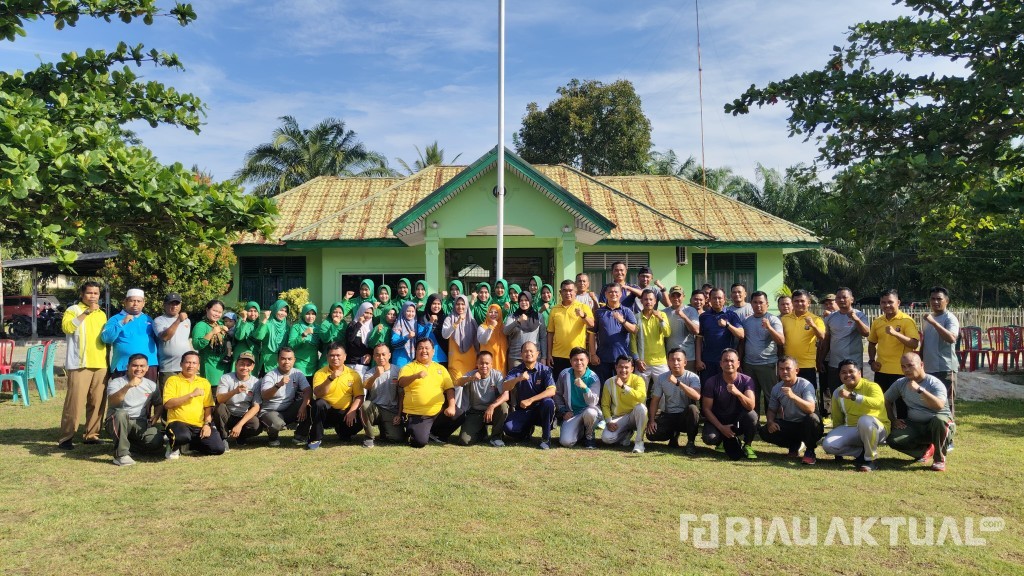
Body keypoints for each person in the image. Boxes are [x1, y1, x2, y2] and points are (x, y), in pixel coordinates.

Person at [58, 281, 109, 449]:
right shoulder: (73, 310)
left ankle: (91, 435)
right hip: (80, 364)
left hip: (101, 364)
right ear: (82, 294)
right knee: (75, 402)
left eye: (96, 293)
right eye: (89, 293)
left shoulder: (102, 314)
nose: (93, 296)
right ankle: (66, 437)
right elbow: (67, 327)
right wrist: (86, 313)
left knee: (97, 402)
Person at [884, 353, 953, 472]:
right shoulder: (901, 383)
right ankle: (924, 451)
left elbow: (939, 406)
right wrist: (893, 419)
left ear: (921, 365)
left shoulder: (934, 383)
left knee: (940, 420)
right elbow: (886, 400)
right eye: (903, 367)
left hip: (937, 425)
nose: (906, 370)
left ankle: (939, 460)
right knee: (893, 440)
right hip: (915, 425)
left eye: (910, 365)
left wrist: (920, 390)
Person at [821, 359, 890, 472]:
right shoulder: (838, 392)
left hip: (877, 428)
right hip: (852, 428)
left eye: (851, 371)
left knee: (865, 421)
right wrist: (838, 448)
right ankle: (861, 453)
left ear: (859, 373)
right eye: (843, 372)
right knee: (828, 445)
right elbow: (838, 419)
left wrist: (854, 396)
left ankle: (870, 460)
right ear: (839, 375)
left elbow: (879, 403)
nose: (848, 375)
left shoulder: (872, 386)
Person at [758, 357, 823, 464]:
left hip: (808, 425)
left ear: (796, 370)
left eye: (788, 369)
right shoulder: (777, 388)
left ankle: (810, 451)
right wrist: (770, 422)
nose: (784, 372)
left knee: (812, 418)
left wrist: (793, 396)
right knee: (764, 431)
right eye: (781, 369)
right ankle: (794, 445)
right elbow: (771, 410)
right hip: (790, 424)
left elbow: (811, 408)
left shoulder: (806, 385)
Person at [398, 338, 461, 448]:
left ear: (433, 351)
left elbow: (449, 389)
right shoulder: (409, 367)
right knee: (419, 442)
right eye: (420, 348)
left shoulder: (440, 368)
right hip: (417, 414)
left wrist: (451, 406)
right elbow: (401, 383)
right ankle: (412, 432)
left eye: (427, 348)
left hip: (437, 412)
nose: (424, 351)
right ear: (416, 351)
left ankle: (435, 434)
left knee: (459, 414)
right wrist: (416, 376)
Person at [868, 289, 920, 418]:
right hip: (881, 370)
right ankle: (885, 431)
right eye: (883, 302)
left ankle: (904, 434)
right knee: (882, 404)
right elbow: (871, 343)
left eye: (890, 302)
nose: (887, 305)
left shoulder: (907, 321)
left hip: (901, 371)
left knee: (902, 406)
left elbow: (914, 344)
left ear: (898, 302)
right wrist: (871, 361)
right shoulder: (877, 321)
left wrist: (895, 333)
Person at [162, 351, 225, 458]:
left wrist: (207, 424)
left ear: (198, 366)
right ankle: (173, 446)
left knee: (218, 448)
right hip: (178, 422)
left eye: (194, 363)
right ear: (181, 364)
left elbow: (208, 407)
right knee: (182, 436)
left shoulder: (204, 382)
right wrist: (191, 395)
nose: (191, 366)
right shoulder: (173, 380)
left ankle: (190, 445)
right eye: (187, 362)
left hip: (199, 425)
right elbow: (168, 404)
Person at [819, 288, 870, 420]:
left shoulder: (860, 315)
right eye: (839, 298)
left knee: (854, 393)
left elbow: (866, 333)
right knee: (836, 393)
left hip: (854, 364)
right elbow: (827, 341)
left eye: (844, 297)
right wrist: (820, 360)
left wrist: (856, 319)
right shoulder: (831, 318)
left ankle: (856, 419)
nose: (841, 300)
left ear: (852, 299)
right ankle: (837, 421)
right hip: (835, 363)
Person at [105, 354, 164, 466]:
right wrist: (128, 386)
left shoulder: (151, 385)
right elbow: (113, 402)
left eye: (142, 366)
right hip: (117, 421)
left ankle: (128, 445)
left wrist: (156, 415)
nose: (138, 369)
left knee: (156, 441)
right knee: (121, 413)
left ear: (147, 368)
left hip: (139, 422)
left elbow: (159, 403)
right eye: (135, 365)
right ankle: (121, 455)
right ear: (128, 366)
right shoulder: (117, 382)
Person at [700, 349, 758, 460]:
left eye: (732, 360)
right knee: (709, 438)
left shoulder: (747, 380)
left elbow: (751, 406)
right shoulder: (711, 382)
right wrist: (721, 427)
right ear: (721, 364)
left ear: (738, 363)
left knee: (752, 416)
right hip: (718, 421)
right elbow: (706, 409)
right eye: (725, 361)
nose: (729, 363)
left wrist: (738, 393)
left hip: (737, 422)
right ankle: (722, 440)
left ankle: (747, 445)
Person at [306, 343, 365, 450]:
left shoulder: (353, 374)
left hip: (344, 413)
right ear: (327, 357)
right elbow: (318, 394)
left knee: (360, 420)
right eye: (332, 355)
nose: (335, 358)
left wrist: (352, 411)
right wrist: (330, 379)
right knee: (319, 404)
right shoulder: (320, 373)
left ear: (345, 356)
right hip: (326, 413)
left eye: (338, 355)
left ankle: (343, 432)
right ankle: (315, 438)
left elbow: (359, 396)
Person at [645, 348, 701, 455]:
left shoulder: (693, 377)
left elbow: (697, 396)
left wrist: (678, 383)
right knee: (651, 435)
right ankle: (674, 435)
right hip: (669, 415)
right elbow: (655, 400)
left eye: (678, 360)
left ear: (685, 362)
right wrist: (651, 420)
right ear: (668, 362)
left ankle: (690, 442)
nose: (675, 363)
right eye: (672, 360)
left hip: (685, 416)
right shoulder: (662, 378)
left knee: (693, 409)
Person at [503, 342, 557, 449]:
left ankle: (546, 438)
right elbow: (505, 387)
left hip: (541, 410)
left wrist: (530, 400)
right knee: (509, 429)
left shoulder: (545, 370)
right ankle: (527, 431)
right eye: (526, 351)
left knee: (548, 402)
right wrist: (518, 379)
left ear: (537, 354)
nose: (529, 353)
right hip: (523, 410)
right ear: (521, 354)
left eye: (531, 351)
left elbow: (551, 391)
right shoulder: (516, 370)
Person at [255, 347, 312, 446]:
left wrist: (303, 406)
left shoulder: (297, 373)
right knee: (277, 424)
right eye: (283, 358)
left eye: (289, 359)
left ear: (294, 360)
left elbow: (307, 390)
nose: (286, 362)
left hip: (288, 410)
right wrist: (278, 385)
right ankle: (272, 436)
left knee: (309, 405)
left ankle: (300, 435)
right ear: (278, 360)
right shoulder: (270, 375)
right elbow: (265, 395)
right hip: (270, 411)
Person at [739, 291, 785, 415]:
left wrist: (769, 327)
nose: (758, 305)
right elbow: (743, 343)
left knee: (771, 396)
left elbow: (781, 341)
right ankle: (754, 423)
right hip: (749, 365)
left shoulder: (773, 319)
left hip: (768, 364)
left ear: (767, 304)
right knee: (751, 395)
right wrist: (740, 361)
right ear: (751, 304)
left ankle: (776, 423)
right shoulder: (747, 321)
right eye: (755, 302)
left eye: (761, 302)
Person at [921, 286, 960, 419]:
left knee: (947, 403)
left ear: (947, 301)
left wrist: (934, 323)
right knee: (931, 401)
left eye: (939, 299)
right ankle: (934, 433)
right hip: (929, 368)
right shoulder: (929, 318)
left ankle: (948, 435)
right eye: (933, 299)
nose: (936, 302)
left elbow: (951, 338)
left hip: (946, 368)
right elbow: (925, 342)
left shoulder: (950, 318)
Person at [456, 351, 510, 447]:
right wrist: (470, 378)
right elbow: (458, 382)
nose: (484, 366)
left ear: (492, 364)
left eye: (487, 363)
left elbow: (506, 395)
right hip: (475, 412)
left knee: (503, 406)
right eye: (481, 363)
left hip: (493, 411)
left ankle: (496, 437)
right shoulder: (471, 374)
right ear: (477, 364)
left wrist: (492, 406)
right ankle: (481, 432)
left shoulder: (497, 375)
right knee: (464, 441)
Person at [100, 288, 158, 377]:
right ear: (125, 302)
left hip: (148, 366)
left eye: (139, 301)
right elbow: (106, 338)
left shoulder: (148, 319)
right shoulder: (115, 319)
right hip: (124, 367)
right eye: (132, 301)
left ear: (143, 303)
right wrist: (122, 322)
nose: (135, 304)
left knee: (148, 391)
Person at [554, 347, 602, 449]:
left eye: (582, 360)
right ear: (570, 361)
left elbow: (593, 402)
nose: (579, 362)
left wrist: (585, 388)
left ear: (587, 361)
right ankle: (580, 431)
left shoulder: (593, 378)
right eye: (575, 360)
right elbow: (557, 394)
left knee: (591, 412)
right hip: (572, 414)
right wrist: (563, 411)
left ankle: (589, 436)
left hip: (587, 412)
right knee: (566, 442)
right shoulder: (564, 374)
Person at [589, 282, 637, 384]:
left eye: (616, 292)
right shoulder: (599, 312)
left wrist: (622, 321)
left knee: (621, 386)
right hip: (603, 358)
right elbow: (592, 334)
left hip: (622, 358)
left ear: (620, 294)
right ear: (606, 294)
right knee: (604, 386)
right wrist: (593, 354)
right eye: (610, 292)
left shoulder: (626, 311)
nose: (613, 294)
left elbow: (634, 330)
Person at [599, 355, 648, 453]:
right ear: (616, 367)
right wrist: (609, 421)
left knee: (641, 408)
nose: (623, 370)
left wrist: (624, 386)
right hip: (619, 417)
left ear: (632, 369)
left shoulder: (638, 380)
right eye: (621, 367)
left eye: (626, 367)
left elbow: (641, 397)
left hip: (635, 415)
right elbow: (605, 405)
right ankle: (627, 433)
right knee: (607, 439)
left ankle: (639, 443)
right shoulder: (609, 382)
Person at [214, 351, 262, 450]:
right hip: (228, 415)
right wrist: (235, 391)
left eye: (248, 365)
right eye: (242, 364)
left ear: (252, 367)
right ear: (236, 364)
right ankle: (223, 437)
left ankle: (241, 436)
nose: (245, 368)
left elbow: (256, 406)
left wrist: (240, 425)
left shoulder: (256, 382)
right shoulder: (226, 378)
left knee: (256, 425)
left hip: (243, 415)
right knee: (220, 407)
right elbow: (219, 399)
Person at [360, 343, 405, 447]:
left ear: (389, 355)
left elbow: (401, 395)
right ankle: (369, 437)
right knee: (365, 406)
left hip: (391, 410)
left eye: (383, 354)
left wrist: (399, 414)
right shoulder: (370, 373)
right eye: (377, 355)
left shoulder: (398, 371)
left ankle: (385, 429)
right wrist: (376, 375)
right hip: (375, 409)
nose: (381, 357)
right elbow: (366, 386)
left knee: (397, 439)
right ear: (374, 357)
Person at [695, 288, 744, 382]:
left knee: (726, 389)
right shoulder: (703, 316)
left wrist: (727, 325)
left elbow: (741, 335)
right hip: (708, 361)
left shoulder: (731, 315)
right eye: (714, 298)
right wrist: (698, 360)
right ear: (709, 299)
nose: (717, 300)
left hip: (726, 361)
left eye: (719, 298)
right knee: (707, 389)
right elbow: (699, 339)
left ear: (724, 299)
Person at [780, 290, 825, 388]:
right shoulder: (784, 319)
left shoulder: (816, 319)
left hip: (807, 365)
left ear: (808, 303)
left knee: (808, 396)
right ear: (792, 302)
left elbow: (822, 336)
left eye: (802, 301)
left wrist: (813, 325)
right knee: (788, 395)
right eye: (796, 301)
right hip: (788, 365)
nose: (799, 303)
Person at [631, 289, 671, 386]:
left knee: (663, 393)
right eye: (645, 299)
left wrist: (660, 319)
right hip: (643, 362)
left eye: (650, 299)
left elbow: (667, 333)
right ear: (641, 301)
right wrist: (637, 360)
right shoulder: (636, 317)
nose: (648, 302)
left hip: (660, 361)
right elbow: (632, 340)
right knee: (640, 392)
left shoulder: (662, 315)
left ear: (655, 301)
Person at [152, 293, 191, 387]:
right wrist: (178, 321)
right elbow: (165, 337)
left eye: (177, 304)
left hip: (185, 367)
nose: (174, 306)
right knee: (169, 399)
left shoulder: (187, 321)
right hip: (168, 369)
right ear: (164, 305)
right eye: (171, 304)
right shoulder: (159, 320)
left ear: (180, 305)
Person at [191, 299, 231, 387]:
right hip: (210, 368)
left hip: (224, 367)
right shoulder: (201, 325)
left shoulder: (221, 324)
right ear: (207, 309)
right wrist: (212, 332)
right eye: (214, 311)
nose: (217, 314)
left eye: (220, 312)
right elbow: (196, 345)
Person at [664, 286, 700, 373]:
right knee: (672, 384)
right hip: (670, 357)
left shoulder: (691, 311)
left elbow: (696, 331)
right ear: (669, 297)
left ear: (683, 297)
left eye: (678, 295)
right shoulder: (664, 312)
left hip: (688, 357)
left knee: (689, 383)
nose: (676, 298)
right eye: (673, 296)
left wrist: (684, 317)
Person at [442, 294, 478, 381]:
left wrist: (478, 356)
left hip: (470, 358)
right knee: (458, 386)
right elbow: (445, 335)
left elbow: (476, 341)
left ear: (466, 305)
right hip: (455, 359)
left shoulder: (471, 320)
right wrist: (456, 323)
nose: (460, 306)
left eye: (463, 304)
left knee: (469, 388)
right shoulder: (449, 319)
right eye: (458, 304)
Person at [504, 291, 545, 368]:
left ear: (530, 301)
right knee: (516, 380)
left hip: (534, 358)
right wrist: (518, 321)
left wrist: (544, 357)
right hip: (516, 358)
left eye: (526, 300)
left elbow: (543, 338)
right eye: (521, 300)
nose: (524, 302)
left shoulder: (538, 317)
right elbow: (505, 331)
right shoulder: (512, 317)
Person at [256, 299, 290, 375]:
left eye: (285, 311)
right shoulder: (268, 324)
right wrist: (265, 319)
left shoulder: (287, 326)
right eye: (281, 310)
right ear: (275, 310)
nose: (283, 313)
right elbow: (259, 336)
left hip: (283, 363)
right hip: (267, 363)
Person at [288, 303, 321, 377]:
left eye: (313, 314)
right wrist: (304, 334)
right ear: (303, 314)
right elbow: (291, 345)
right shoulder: (296, 327)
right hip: (299, 364)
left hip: (314, 365)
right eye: (308, 314)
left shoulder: (318, 328)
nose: (310, 317)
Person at [345, 302, 376, 378]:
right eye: (366, 312)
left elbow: (371, 344)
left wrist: (370, 354)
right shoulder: (352, 324)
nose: (368, 316)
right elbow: (350, 339)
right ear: (361, 311)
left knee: (362, 389)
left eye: (370, 314)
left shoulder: (371, 327)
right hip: (351, 363)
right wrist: (359, 323)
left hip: (364, 364)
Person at [476, 303, 508, 374]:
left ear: (500, 314)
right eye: (490, 312)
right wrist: (491, 327)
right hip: (487, 362)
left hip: (501, 361)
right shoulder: (482, 327)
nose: (493, 314)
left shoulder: (503, 327)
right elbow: (483, 341)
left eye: (496, 312)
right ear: (487, 313)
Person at [390, 302, 423, 368]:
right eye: (408, 311)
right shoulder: (398, 324)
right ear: (403, 311)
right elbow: (394, 344)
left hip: (413, 358)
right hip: (400, 359)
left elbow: (422, 336)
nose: (411, 314)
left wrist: (430, 323)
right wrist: (407, 337)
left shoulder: (415, 324)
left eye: (413, 311)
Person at [418, 294, 448, 365]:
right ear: (429, 304)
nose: (436, 306)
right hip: (428, 358)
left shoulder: (445, 318)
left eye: (439, 304)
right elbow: (421, 338)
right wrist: (430, 322)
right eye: (434, 303)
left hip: (444, 358)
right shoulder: (423, 319)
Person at [317, 301, 347, 368]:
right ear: (331, 313)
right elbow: (325, 339)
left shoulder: (344, 324)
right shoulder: (325, 324)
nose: (337, 315)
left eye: (340, 313)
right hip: (327, 360)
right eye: (335, 312)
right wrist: (334, 325)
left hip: (340, 360)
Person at [233, 302, 262, 366]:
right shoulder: (241, 321)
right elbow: (239, 337)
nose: (253, 314)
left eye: (255, 311)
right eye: (250, 311)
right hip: (240, 352)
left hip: (254, 353)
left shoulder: (259, 325)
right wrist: (244, 319)